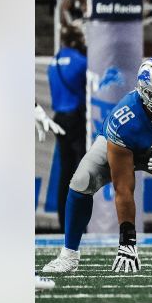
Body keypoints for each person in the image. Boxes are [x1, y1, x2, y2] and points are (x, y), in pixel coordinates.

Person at [42, 59, 152, 275]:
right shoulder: (125, 120)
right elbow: (123, 188)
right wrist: (127, 241)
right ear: (145, 94)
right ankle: (68, 255)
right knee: (81, 181)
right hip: (124, 147)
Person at [45, 24, 87, 230]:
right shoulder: (81, 62)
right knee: (82, 171)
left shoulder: (53, 63)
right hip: (76, 119)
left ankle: (64, 222)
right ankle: (80, 221)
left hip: (59, 117)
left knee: (65, 172)